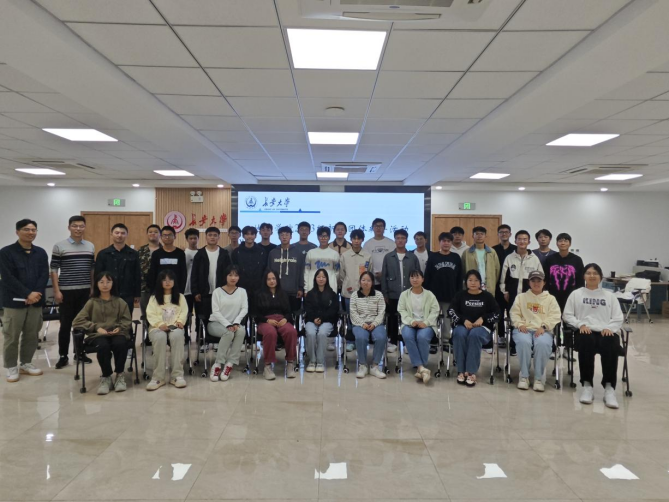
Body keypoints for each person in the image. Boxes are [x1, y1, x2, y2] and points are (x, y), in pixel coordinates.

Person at [563, 263, 624, 409]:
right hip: (585, 330)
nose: (592, 276)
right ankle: (587, 385)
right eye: (588, 273)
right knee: (586, 341)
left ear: (600, 277)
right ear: (583, 276)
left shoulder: (610, 296)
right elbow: (567, 315)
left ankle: (609, 388)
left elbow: (618, 317)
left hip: (606, 331)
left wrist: (610, 328)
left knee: (610, 343)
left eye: (595, 273)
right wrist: (580, 325)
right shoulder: (576, 294)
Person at [0, 219, 48, 382]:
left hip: (35, 301)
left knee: (31, 334)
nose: (31, 232)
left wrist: (36, 294)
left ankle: (26, 363)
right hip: (14, 302)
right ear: (17, 232)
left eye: (34, 230)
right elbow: (7, 278)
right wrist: (27, 293)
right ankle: (11, 366)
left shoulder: (40, 252)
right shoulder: (6, 252)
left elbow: (44, 274)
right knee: (11, 336)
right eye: (26, 229)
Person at [72, 271, 132, 394]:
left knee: (120, 343)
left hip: (117, 333)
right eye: (101, 282)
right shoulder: (92, 302)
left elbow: (127, 320)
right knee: (103, 346)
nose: (105, 285)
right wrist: (95, 327)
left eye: (108, 282)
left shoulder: (120, 302)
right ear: (96, 284)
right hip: (98, 334)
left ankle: (120, 375)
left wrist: (120, 328)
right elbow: (77, 321)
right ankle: (106, 376)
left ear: (113, 284)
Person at [51, 216, 96, 370]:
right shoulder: (59, 246)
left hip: (84, 291)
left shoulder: (90, 246)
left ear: (85, 227)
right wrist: (56, 290)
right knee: (65, 325)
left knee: (81, 324)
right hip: (66, 291)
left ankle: (79, 353)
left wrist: (92, 287)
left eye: (81, 226)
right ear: (69, 227)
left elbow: (92, 268)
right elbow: (54, 269)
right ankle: (63, 356)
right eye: (75, 226)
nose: (78, 229)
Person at [510, 270, 562, 392]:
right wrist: (519, 324)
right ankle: (524, 376)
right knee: (524, 342)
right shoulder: (521, 297)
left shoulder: (551, 299)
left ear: (544, 282)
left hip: (543, 330)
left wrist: (544, 326)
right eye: (533, 280)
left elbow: (555, 315)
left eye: (539, 281)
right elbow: (514, 313)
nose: (536, 283)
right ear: (529, 283)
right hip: (524, 328)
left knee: (542, 344)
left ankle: (539, 378)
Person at [448, 270, 500, 387]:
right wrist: (463, 320)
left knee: (474, 334)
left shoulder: (487, 296)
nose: (473, 283)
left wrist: (483, 318)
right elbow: (451, 311)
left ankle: (471, 372)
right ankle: (461, 371)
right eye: (470, 280)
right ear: (465, 282)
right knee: (459, 334)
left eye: (476, 280)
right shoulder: (460, 295)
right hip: (463, 326)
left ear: (480, 282)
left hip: (482, 329)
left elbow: (497, 313)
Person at [145, 269, 188, 391]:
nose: (167, 282)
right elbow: (150, 314)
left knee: (177, 336)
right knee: (160, 337)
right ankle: (158, 377)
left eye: (170, 279)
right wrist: (159, 324)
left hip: (175, 326)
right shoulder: (153, 298)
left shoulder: (180, 297)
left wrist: (180, 321)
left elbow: (184, 311)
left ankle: (177, 376)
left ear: (174, 281)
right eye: (164, 280)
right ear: (160, 282)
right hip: (157, 327)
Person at [382, 229, 422, 353]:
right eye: (398, 238)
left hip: (409, 294)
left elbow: (418, 275)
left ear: (406, 240)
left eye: (403, 238)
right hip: (393, 294)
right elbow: (384, 276)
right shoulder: (388, 257)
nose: (400, 240)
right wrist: (385, 294)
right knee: (393, 319)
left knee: (408, 319)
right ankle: (393, 341)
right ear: (394, 240)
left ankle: (407, 342)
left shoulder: (412, 257)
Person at [254, 270, 298, 380]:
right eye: (269, 279)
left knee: (291, 331)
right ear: (265, 281)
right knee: (270, 332)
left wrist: (285, 319)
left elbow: (289, 312)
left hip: (281, 319)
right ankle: (267, 366)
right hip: (265, 321)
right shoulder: (259, 294)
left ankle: (290, 364)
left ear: (277, 279)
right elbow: (256, 314)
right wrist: (266, 320)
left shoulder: (283, 294)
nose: (272, 281)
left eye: (273, 278)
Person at [207, 265, 248, 382]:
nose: (233, 278)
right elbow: (216, 312)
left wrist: (236, 322)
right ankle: (218, 364)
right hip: (215, 324)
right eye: (230, 275)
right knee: (228, 333)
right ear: (225, 276)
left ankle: (230, 364)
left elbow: (244, 309)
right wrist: (228, 325)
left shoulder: (242, 291)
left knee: (241, 331)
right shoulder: (217, 292)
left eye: (236, 275)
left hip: (234, 324)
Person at [398, 270, 439, 384]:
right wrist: (411, 321)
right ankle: (421, 368)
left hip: (426, 324)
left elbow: (435, 310)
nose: (415, 280)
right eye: (412, 277)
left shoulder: (429, 295)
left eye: (417, 277)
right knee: (407, 335)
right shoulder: (404, 295)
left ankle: (420, 367)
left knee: (422, 337)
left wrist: (426, 322)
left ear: (422, 279)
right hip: (409, 323)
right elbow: (401, 310)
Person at [94, 223, 141, 314]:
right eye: (117, 233)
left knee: (126, 318)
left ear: (127, 235)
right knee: (108, 318)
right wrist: (97, 293)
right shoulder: (103, 254)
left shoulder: (133, 254)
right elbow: (97, 275)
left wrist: (137, 294)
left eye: (123, 233)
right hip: (108, 293)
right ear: (111, 234)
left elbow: (137, 274)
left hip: (128, 293)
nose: (119, 235)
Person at [339, 229, 373, 352]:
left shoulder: (368, 256)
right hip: (348, 293)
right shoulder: (345, 255)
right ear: (351, 240)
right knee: (350, 318)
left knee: (363, 318)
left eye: (359, 239)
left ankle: (361, 340)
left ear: (362, 240)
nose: (356, 241)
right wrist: (348, 284)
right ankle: (350, 341)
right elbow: (341, 275)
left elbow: (370, 273)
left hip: (364, 294)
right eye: (354, 238)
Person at [191, 227, 232, 328]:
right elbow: (194, 274)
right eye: (210, 235)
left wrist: (229, 290)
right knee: (203, 318)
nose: (212, 237)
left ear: (219, 237)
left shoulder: (224, 254)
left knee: (220, 318)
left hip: (221, 292)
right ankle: (201, 336)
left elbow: (229, 273)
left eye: (215, 235)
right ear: (206, 237)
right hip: (203, 293)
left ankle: (218, 336)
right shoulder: (199, 254)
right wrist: (195, 291)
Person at [350, 271, 387, 379]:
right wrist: (362, 324)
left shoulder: (378, 295)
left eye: (368, 280)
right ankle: (363, 366)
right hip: (359, 323)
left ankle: (375, 366)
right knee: (361, 337)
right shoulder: (354, 295)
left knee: (381, 337)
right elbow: (353, 313)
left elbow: (381, 312)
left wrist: (375, 324)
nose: (366, 282)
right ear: (360, 282)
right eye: (363, 280)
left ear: (372, 282)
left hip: (376, 323)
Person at [424, 232, 462, 336]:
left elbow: (460, 277)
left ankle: (446, 340)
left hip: (450, 295)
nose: (446, 243)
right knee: (432, 318)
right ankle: (433, 339)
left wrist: (459, 294)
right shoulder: (433, 257)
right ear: (439, 242)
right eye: (444, 241)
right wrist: (426, 293)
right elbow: (427, 276)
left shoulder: (456, 257)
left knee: (447, 319)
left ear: (451, 243)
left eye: (448, 241)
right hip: (434, 295)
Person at [303, 269, 339, 373]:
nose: (321, 279)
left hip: (327, 321)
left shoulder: (332, 294)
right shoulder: (310, 294)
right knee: (310, 333)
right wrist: (314, 318)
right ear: (315, 279)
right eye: (319, 277)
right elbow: (307, 309)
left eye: (323, 277)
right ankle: (312, 361)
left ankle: (320, 361)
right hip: (311, 320)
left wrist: (322, 319)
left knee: (322, 333)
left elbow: (333, 310)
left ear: (327, 279)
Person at [543, 233, 585, 312]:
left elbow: (580, 280)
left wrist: (580, 295)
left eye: (565, 241)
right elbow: (545, 277)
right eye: (560, 241)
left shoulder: (577, 260)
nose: (563, 243)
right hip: (552, 296)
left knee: (568, 317)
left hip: (571, 296)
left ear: (570, 244)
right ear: (556, 243)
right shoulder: (550, 259)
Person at [268, 226, 305, 314]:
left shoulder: (298, 253)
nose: (284, 237)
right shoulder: (273, 253)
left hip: (294, 292)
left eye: (287, 235)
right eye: (282, 235)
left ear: (291, 236)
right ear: (278, 237)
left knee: (293, 316)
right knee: (277, 316)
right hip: (277, 291)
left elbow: (301, 271)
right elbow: (268, 271)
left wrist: (301, 288)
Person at [492, 224, 516, 346]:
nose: (504, 234)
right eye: (501, 232)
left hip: (513, 286)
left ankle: (514, 336)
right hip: (497, 286)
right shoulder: (493, 250)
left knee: (514, 312)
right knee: (499, 312)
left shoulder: (516, 249)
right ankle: (501, 336)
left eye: (506, 232)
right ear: (498, 234)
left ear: (510, 234)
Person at [148, 226, 187, 294]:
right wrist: (153, 291)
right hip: (159, 290)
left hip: (176, 289)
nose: (167, 237)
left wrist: (181, 291)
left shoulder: (180, 253)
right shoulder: (156, 254)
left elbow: (183, 273)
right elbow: (153, 273)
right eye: (164, 235)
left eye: (170, 235)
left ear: (175, 236)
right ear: (161, 237)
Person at [231, 226, 267, 301]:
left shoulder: (261, 251)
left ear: (255, 236)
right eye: (247, 234)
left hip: (258, 289)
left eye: (252, 234)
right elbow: (234, 269)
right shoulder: (237, 252)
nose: (249, 236)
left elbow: (264, 269)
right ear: (243, 236)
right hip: (241, 287)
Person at [463, 226, 500, 294]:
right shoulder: (467, 252)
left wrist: (492, 282)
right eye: (477, 234)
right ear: (473, 236)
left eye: (482, 234)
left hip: (488, 286)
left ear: (485, 236)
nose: (479, 236)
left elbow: (497, 270)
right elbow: (463, 270)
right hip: (472, 286)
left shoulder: (492, 252)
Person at [304, 226, 340, 293]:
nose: (323, 238)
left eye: (325, 236)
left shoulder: (334, 254)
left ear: (329, 237)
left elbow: (337, 273)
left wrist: (332, 282)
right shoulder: (311, 253)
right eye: (321, 236)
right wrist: (306, 289)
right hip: (312, 288)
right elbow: (306, 271)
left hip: (330, 289)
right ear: (318, 237)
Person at [362, 218, 395, 290]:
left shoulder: (391, 243)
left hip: (388, 279)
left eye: (381, 226)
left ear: (384, 228)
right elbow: (365, 262)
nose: (378, 228)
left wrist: (384, 273)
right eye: (376, 226)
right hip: (372, 280)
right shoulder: (367, 244)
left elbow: (393, 261)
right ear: (372, 228)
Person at [138, 224, 162, 317]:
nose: (153, 234)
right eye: (150, 232)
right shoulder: (141, 250)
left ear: (160, 234)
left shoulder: (164, 250)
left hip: (160, 287)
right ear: (147, 234)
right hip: (144, 287)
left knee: (160, 313)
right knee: (146, 314)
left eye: (155, 232)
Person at [183, 228, 199, 333]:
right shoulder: (183, 253)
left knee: (199, 313)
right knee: (186, 313)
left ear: (198, 239)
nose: (193, 240)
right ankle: (186, 335)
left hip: (198, 289)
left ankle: (199, 335)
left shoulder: (202, 253)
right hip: (186, 289)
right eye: (191, 238)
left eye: (195, 238)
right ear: (187, 239)